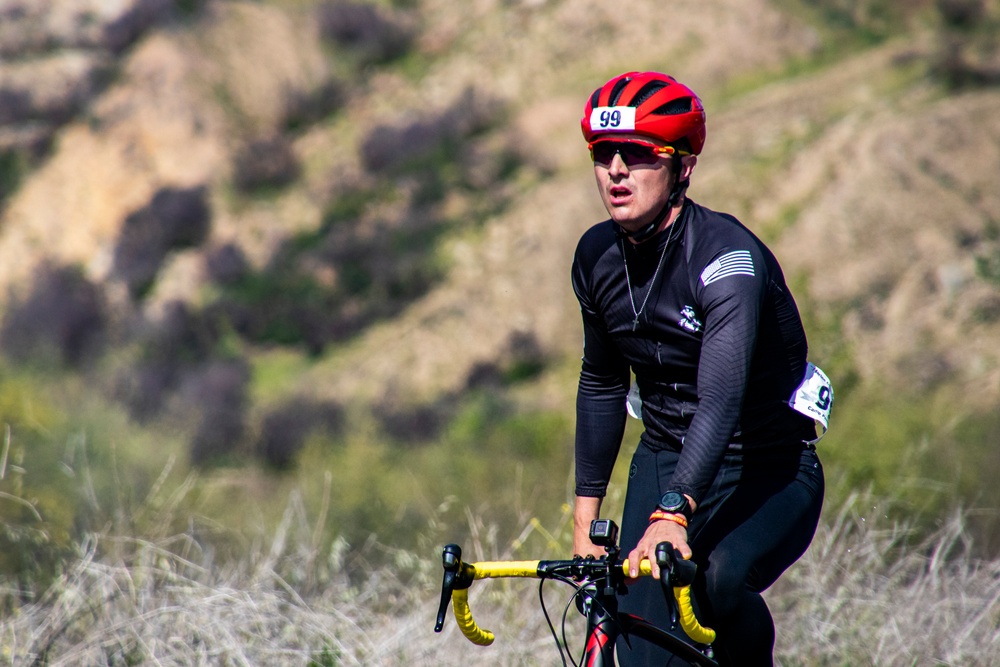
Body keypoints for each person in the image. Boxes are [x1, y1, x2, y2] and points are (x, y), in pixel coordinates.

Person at [570, 71, 831, 666]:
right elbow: (603, 381)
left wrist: (673, 513)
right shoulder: (594, 255)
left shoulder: (727, 259)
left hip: (766, 465)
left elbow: (721, 399)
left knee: (717, 579)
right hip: (665, 454)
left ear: (683, 166)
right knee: (629, 630)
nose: (616, 170)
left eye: (638, 154)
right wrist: (584, 520)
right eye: (602, 152)